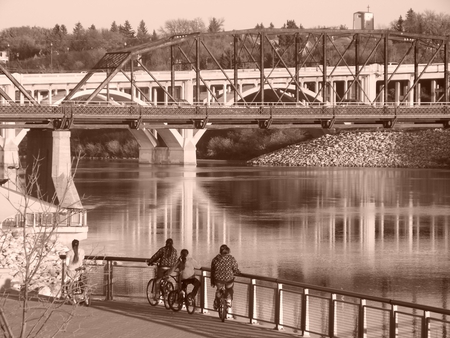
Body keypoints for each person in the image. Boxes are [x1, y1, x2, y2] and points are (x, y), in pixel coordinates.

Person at [210, 244, 240, 311]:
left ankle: (216, 303)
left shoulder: (215, 259)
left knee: (219, 290)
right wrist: (237, 271)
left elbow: (212, 271)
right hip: (229, 279)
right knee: (229, 289)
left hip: (218, 280)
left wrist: (212, 281)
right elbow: (235, 268)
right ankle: (229, 300)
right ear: (228, 251)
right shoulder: (231, 259)